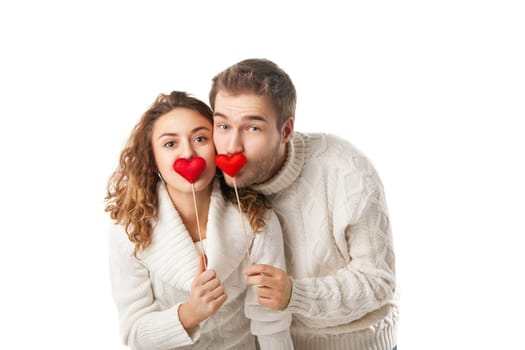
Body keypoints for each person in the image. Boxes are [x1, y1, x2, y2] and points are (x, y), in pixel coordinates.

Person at [209, 59, 398, 350]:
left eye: (253, 129)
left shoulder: (346, 169)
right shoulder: (211, 179)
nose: (232, 146)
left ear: (286, 131)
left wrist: (295, 295)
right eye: (222, 125)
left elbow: (379, 283)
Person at [105, 91, 293, 350]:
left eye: (201, 138)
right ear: (152, 158)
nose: (189, 154)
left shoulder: (255, 218)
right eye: (170, 144)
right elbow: (135, 334)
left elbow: (271, 320)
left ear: (218, 144)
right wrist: (190, 313)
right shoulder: (130, 231)